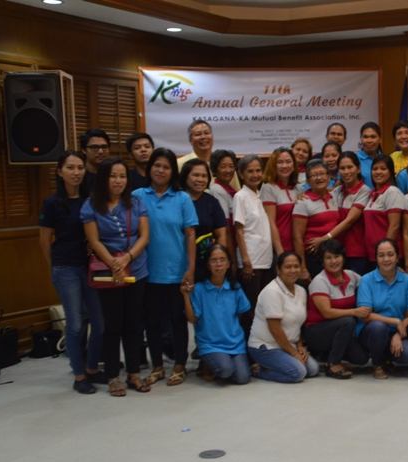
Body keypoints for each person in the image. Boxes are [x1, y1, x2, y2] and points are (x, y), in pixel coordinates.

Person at [81, 156, 150, 396]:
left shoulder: (136, 203)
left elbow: (144, 236)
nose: (118, 181)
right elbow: (94, 241)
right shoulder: (90, 205)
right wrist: (113, 264)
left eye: (122, 176)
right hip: (106, 272)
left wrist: (126, 259)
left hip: (136, 269)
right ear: (103, 178)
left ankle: (134, 374)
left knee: (132, 324)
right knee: (112, 326)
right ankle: (112, 376)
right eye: (113, 176)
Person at [39, 151, 105, 394]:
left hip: (90, 266)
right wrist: (54, 266)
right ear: (60, 172)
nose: (76, 172)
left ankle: (92, 369)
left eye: (80, 167)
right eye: (70, 168)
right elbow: (44, 241)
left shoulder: (91, 200)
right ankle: (79, 375)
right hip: (65, 268)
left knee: (99, 324)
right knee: (76, 324)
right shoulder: (52, 203)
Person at [132, 148, 198, 387]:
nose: (160, 170)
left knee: (177, 320)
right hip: (146, 271)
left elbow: (190, 235)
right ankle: (157, 366)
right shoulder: (137, 196)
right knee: (151, 321)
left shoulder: (182, 198)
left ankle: (179, 364)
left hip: (176, 271)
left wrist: (190, 268)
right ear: (150, 168)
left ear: (173, 172)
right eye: (156, 165)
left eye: (166, 167)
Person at [183, 245, 252, 385]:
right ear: (207, 265)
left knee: (243, 378)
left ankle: (219, 361)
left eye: (222, 260)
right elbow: (192, 318)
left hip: (235, 342)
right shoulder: (199, 289)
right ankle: (207, 362)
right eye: (213, 261)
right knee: (226, 370)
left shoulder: (235, 287)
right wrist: (185, 295)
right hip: (211, 344)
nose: (218, 264)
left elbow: (240, 314)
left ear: (228, 264)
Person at [248, 252, 319, 383]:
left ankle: (280, 363)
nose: (293, 270)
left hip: (287, 345)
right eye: (288, 267)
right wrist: (294, 353)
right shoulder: (272, 292)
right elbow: (275, 329)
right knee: (298, 373)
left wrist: (300, 346)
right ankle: (258, 370)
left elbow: (297, 323)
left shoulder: (301, 291)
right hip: (266, 347)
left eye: (296, 266)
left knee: (313, 369)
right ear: (278, 269)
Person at [303, 240, 370, 379]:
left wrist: (395, 271)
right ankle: (333, 363)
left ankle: (326, 354)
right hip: (316, 331)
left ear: (343, 258)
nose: (333, 261)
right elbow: (327, 313)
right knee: (348, 321)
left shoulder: (351, 276)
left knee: (361, 358)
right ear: (322, 262)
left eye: (337, 256)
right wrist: (354, 312)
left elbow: (371, 282)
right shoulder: (319, 281)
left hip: (339, 329)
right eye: (328, 258)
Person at [356, 239, 408, 379]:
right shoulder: (366, 280)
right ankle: (377, 364)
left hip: (395, 331)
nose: (386, 259)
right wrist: (395, 321)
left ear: (397, 257)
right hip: (371, 330)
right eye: (381, 255)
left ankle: (384, 355)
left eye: (390, 254)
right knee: (379, 327)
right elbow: (365, 316)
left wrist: (398, 335)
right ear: (376, 258)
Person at [233, 154, 274, 337]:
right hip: (251, 263)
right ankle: (249, 351)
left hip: (266, 261)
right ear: (241, 174)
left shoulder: (261, 194)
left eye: (258, 170)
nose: (255, 174)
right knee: (250, 311)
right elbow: (238, 230)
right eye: (250, 171)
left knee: (265, 308)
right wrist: (246, 260)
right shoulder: (240, 196)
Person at [180, 159, 227, 281]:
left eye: (204, 176)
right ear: (185, 176)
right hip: (179, 261)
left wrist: (219, 261)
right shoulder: (176, 199)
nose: (200, 179)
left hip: (206, 264)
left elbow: (221, 235)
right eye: (195, 175)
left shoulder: (211, 202)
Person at [292, 159, 340, 280]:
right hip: (313, 256)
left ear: (329, 177)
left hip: (334, 254)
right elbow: (297, 238)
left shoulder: (334, 196)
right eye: (314, 175)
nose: (319, 178)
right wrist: (302, 268)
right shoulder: (303, 201)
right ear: (308, 181)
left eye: (322, 174)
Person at [330, 152, 371, 274]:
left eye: (350, 167)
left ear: (358, 169)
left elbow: (349, 221)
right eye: (342, 168)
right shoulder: (337, 191)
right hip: (337, 251)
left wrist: (325, 238)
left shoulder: (364, 191)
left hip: (357, 252)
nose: (346, 171)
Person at [363, 155, 404, 268]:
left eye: (383, 168)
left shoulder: (392, 192)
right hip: (373, 255)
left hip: (387, 257)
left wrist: (385, 253)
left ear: (390, 172)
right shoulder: (372, 194)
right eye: (375, 169)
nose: (378, 172)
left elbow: (394, 226)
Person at [261, 147, 301, 254]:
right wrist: (280, 253)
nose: (284, 166)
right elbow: (270, 223)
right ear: (273, 166)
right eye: (280, 162)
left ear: (293, 165)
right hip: (280, 249)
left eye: (288, 161)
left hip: (298, 247)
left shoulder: (298, 188)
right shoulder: (268, 188)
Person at [207, 150, 239, 267]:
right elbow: (225, 229)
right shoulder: (217, 190)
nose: (228, 170)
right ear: (215, 169)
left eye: (231, 166)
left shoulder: (230, 190)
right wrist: (231, 260)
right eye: (223, 166)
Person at [357, 122, 382, 189]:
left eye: (373, 137)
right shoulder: (354, 160)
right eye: (365, 137)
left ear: (380, 139)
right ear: (361, 139)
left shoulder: (385, 159)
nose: (369, 140)